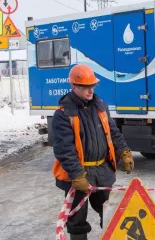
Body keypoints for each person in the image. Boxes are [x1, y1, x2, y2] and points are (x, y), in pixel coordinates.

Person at [51, 64, 135, 240]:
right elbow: (64, 149)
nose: (90, 91)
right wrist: (77, 175)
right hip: (79, 175)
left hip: (102, 171)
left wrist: (124, 152)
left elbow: (113, 132)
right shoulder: (64, 114)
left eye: (92, 86)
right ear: (74, 87)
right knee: (77, 222)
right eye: (85, 87)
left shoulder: (100, 107)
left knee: (111, 212)